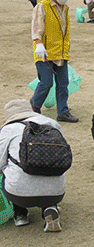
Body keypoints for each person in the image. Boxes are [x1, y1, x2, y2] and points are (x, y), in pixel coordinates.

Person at [0, 99, 65, 231]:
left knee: (7, 171)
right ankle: (50, 207)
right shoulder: (52, 123)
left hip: (19, 195)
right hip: (57, 192)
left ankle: (20, 214)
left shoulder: (8, 129)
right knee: (51, 166)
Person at [30, 0, 79, 123]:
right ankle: (34, 107)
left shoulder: (65, 9)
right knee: (46, 82)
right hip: (44, 51)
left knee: (63, 83)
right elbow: (36, 27)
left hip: (61, 52)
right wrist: (38, 43)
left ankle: (62, 111)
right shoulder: (42, 6)